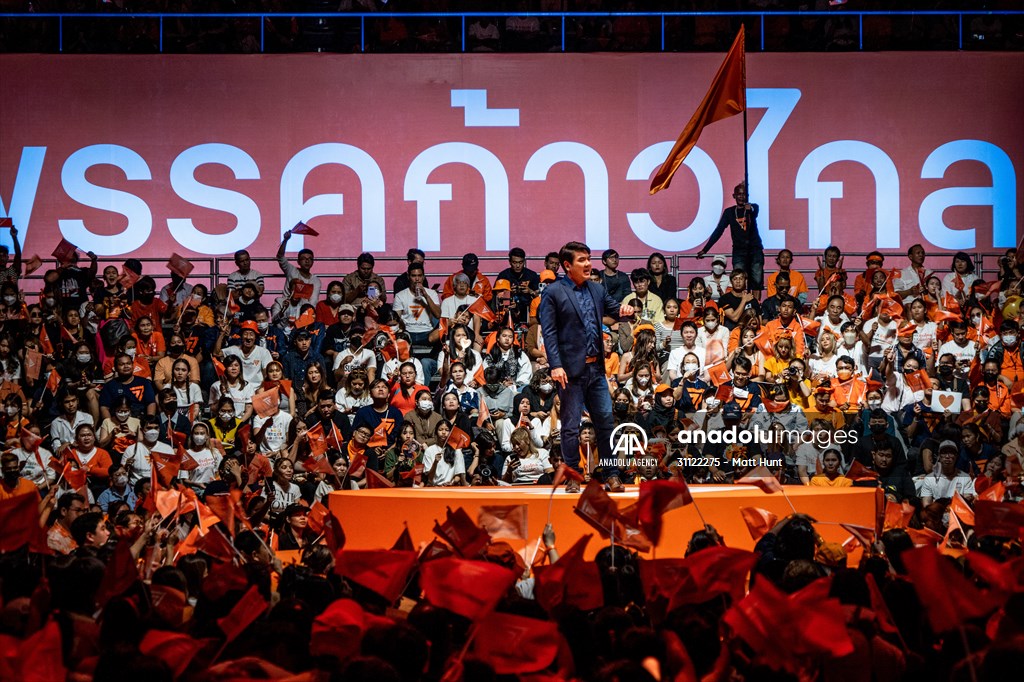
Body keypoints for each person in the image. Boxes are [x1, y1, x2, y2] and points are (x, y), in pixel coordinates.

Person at [538, 241, 633, 493]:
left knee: (605, 422)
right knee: (570, 427)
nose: (589, 263)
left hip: (597, 370)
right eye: (582, 260)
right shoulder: (554, 292)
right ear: (567, 265)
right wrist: (555, 365)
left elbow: (615, 308)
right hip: (569, 372)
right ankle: (573, 476)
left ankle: (611, 474)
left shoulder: (597, 289)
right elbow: (549, 333)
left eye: (589, 258)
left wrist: (625, 309)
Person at [697, 182, 764, 292]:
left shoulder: (753, 208)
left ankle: (756, 306)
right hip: (739, 251)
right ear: (734, 196)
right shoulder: (729, 212)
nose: (741, 196)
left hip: (755, 249)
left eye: (744, 194)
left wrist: (749, 209)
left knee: (756, 280)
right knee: (738, 280)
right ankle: (741, 305)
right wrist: (705, 249)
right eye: (739, 194)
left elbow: (754, 210)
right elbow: (719, 230)